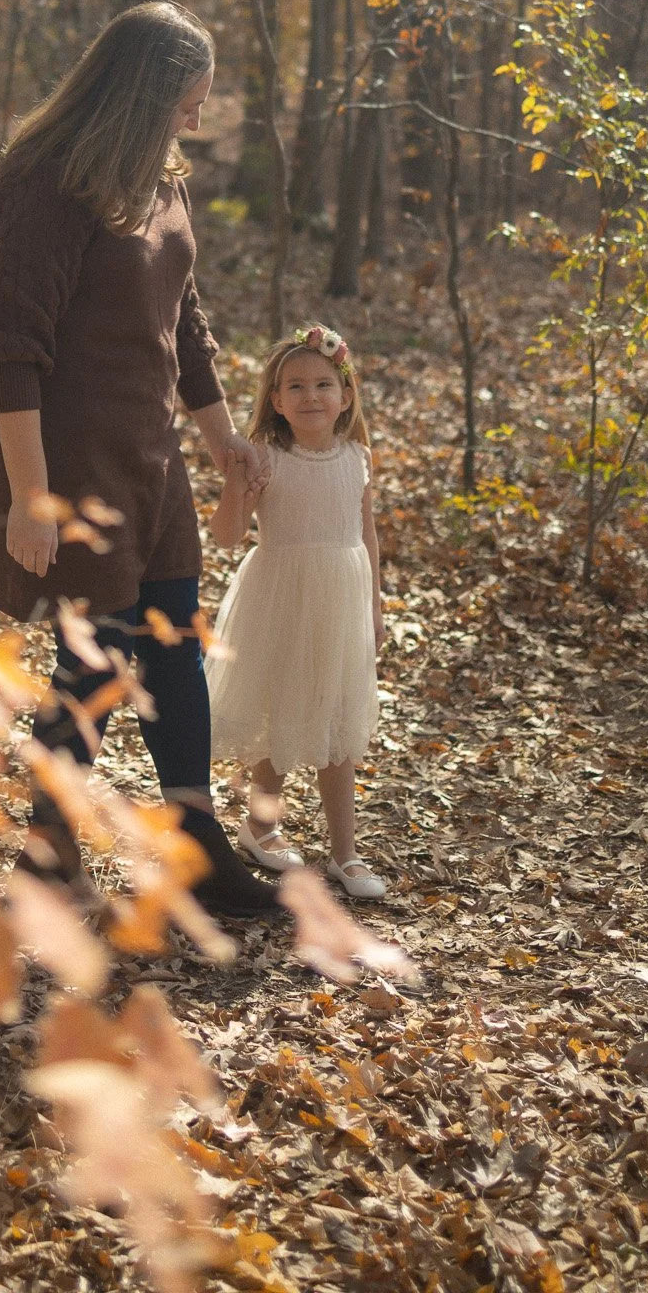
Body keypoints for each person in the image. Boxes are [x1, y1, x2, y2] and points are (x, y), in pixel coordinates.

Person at [0, 2, 277, 916]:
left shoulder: (162, 177)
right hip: (66, 463)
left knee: (174, 649)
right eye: (187, 101)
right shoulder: (45, 184)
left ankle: (194, 844)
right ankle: (47, 855)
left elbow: (181, 319)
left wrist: (221, 438)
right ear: (141, 94)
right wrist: (30, 496)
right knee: (96, 660)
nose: (195, 119)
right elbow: (9, 349)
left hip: (151, 456)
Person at [205, 323, 387, 899]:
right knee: (279, 714)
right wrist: (237, 484)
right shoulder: (267, 457)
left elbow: (368, 533)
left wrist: (376, 602)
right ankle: (261, 826)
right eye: (296, 387)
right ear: (276, 401)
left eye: (323, 384)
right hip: (281, 595)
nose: (311, 396)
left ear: (346, 395)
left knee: (337, 720)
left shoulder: (356, 455)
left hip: (342, 599)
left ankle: (345, 852)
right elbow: (228, 535)